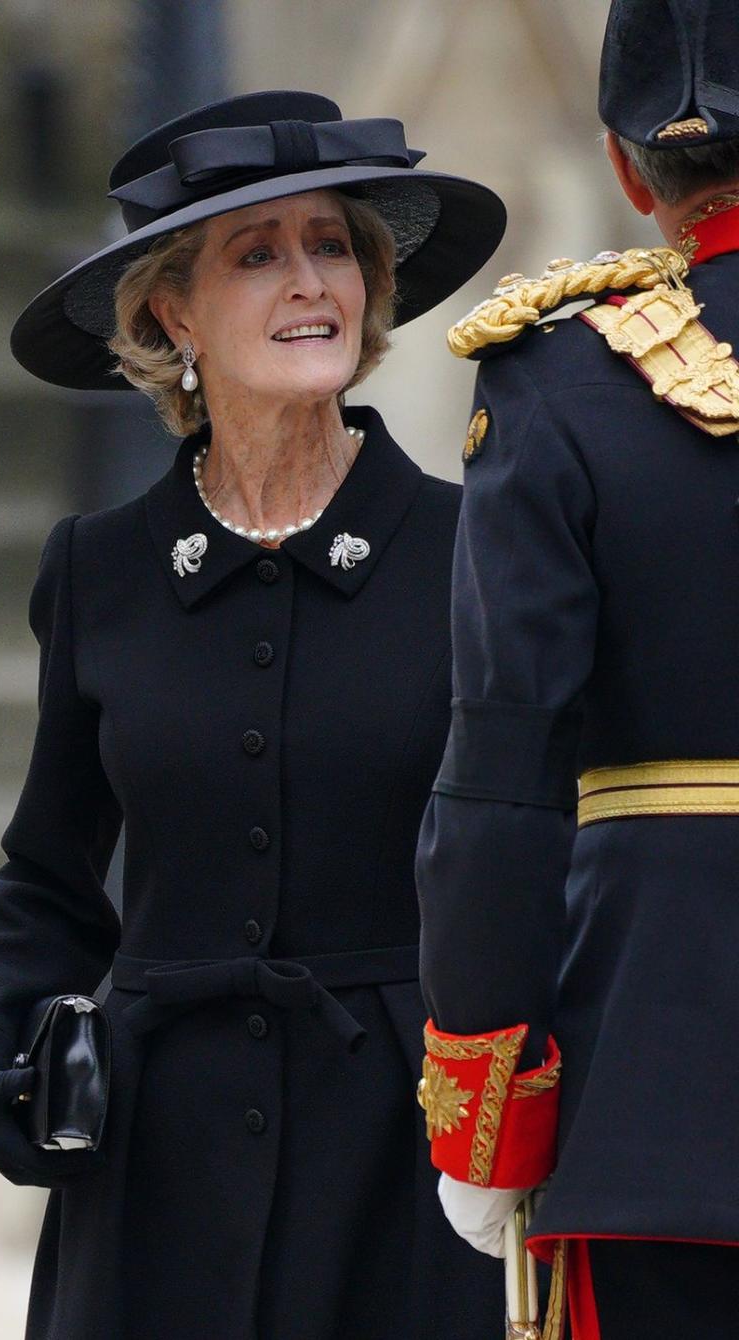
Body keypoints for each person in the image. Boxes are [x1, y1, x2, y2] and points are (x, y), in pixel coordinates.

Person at [0, 90, 508, 1339]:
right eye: (258, 253)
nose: (312, 281)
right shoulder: (100, 568)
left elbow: (538, 850)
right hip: (155, 1172)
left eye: (333, 245)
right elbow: (50, 867)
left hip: (406, 1174)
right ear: (169, 312)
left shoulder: (477, 553)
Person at [414, 2, 739, 1337]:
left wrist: (485, 1112)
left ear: (624, 169)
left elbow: (501, 784)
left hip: (656, 1093)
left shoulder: (558, 380)